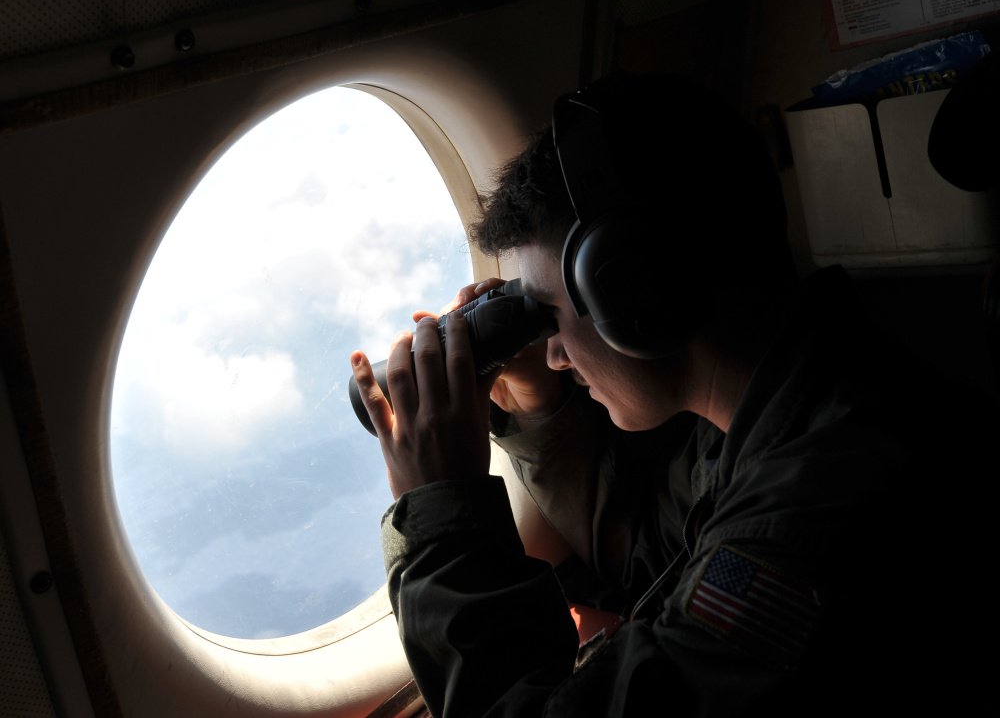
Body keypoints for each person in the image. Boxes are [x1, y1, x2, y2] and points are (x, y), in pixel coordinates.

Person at [349, 71, 997, 717]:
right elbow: (659, 554)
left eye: (551, 313)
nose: (551, 352)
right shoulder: (785, 407)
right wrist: (541, 412)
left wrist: (441, 516)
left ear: (633, 289)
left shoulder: (822, 506)